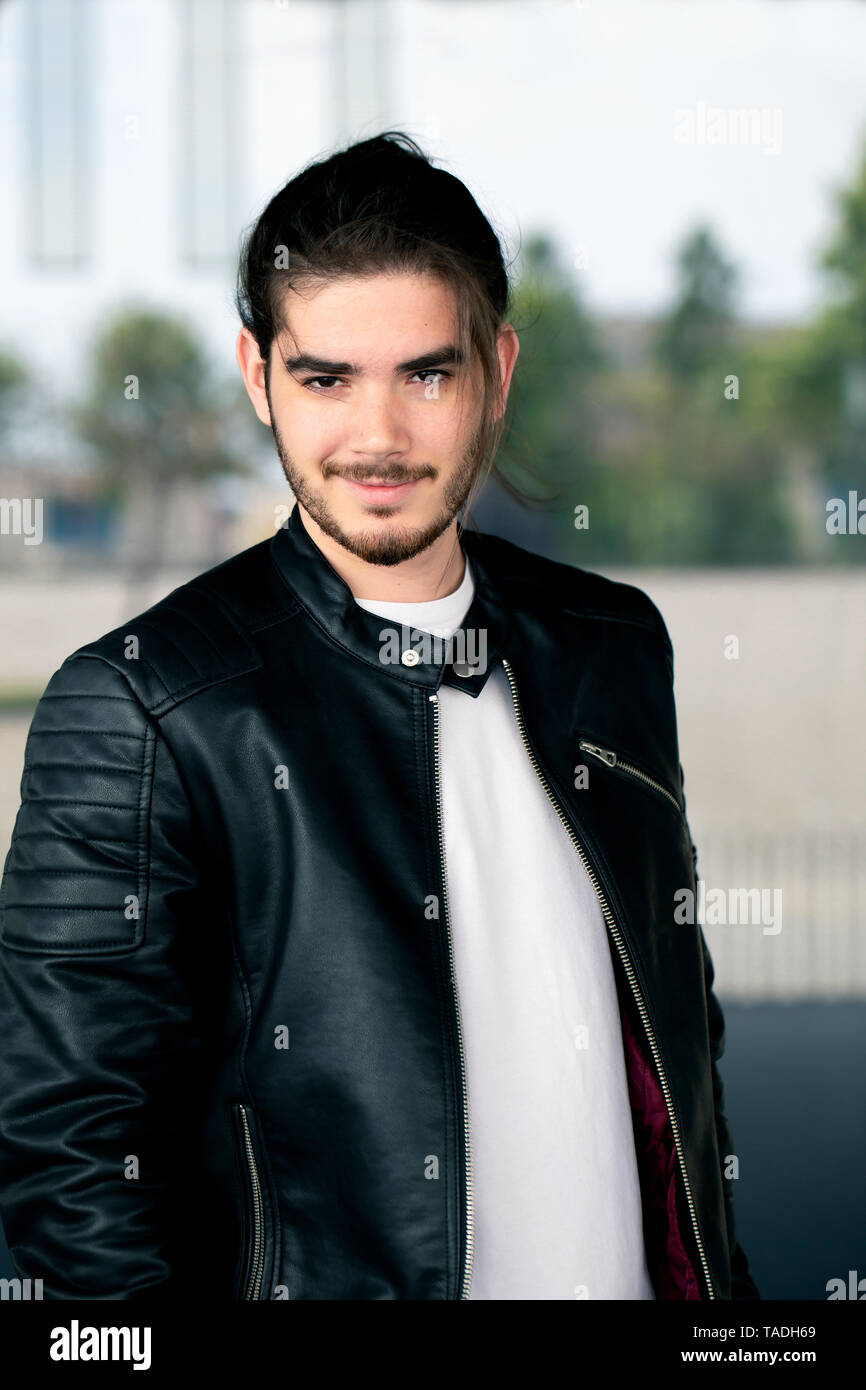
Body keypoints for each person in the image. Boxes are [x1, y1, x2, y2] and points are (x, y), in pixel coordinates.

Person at [0, 131, 759, 1301]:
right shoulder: (144, 705)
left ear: (495, 369)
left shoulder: (611, 645)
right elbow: (71, 1160)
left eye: (426, 373)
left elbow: (676, 1050)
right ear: (257, 373)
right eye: (325, 378)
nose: (378, 437)